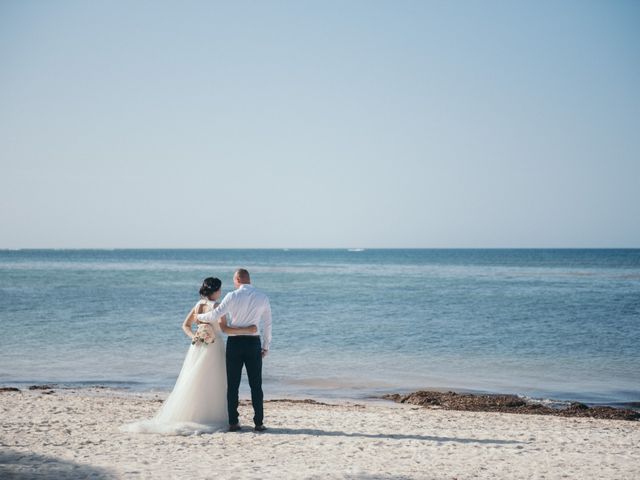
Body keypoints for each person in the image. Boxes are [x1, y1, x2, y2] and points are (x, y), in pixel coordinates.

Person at [120, 277, 257, 435]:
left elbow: (185, 325)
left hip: (198, 347)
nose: (221, 292)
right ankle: (212, 415)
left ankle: (195, 414)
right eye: (219, 289)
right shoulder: (218, 306)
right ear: (216, 291)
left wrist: (195, 337)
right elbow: (225, 329)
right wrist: (248, 330)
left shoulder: (198, 305)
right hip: (213, 346)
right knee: (214, 381)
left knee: (196, 379)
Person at [196, 268, 272, 432]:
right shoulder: (263, 297)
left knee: (233, 385)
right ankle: (258, 423)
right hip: (253, 342)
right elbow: (267, 324)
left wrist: (199, 317)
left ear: (238, 279)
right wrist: (266, 346)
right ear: (249, 279)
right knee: (256, 385)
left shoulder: (232, 295)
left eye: (234, 280)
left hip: (235, 344)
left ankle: (233, 422)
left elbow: (215, 315)